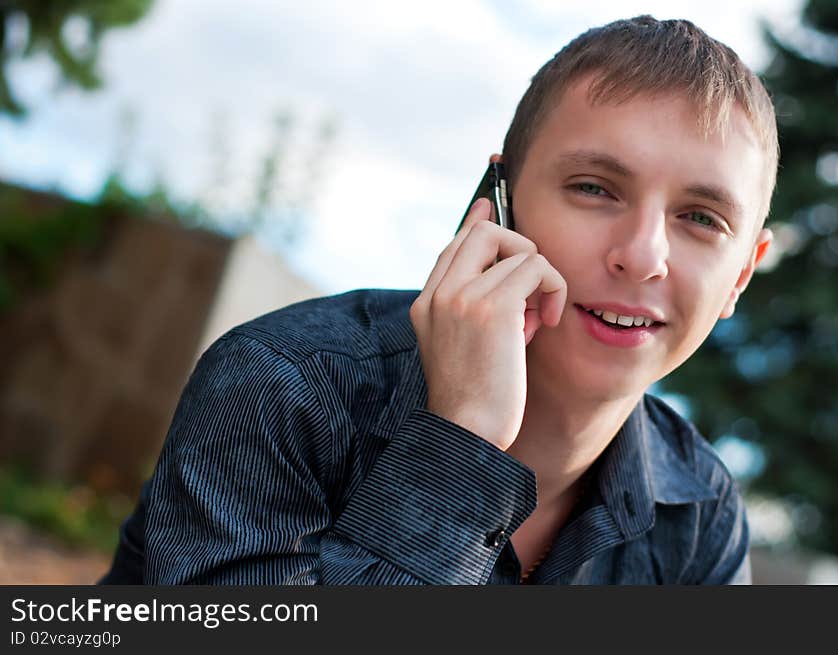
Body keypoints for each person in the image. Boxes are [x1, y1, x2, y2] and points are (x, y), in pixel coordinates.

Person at [100, 14, 776, 585]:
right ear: (496, 207)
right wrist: (461, 443)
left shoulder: (702, 511)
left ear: (741, 276)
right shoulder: (285, 383)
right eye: (594, 187)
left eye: (701, 218)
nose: (643, 254)